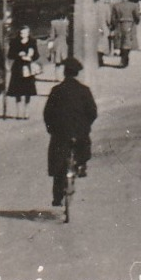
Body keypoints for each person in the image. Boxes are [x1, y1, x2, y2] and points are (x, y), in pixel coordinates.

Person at [44, 57, 98, 208]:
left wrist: (51, 129)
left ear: (64, 73)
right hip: (79, 132)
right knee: (83, 146)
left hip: (60, 133)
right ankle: (81, 166)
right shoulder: (84, 90)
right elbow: (92, 112)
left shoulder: (56, 90)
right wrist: (86, 126)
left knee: (57, 159)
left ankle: (57, 197)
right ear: (77, 73)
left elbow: (47, 113)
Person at [7, 25, 42, 119]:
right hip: (18, 68)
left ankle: (26, 111)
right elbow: (10, 55)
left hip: (28, 68)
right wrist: (18, 54)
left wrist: (31, 55)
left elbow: (37, 56)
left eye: (25, 32)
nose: (23, 34)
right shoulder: (14, 42)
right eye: (22, 33)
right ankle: (18, 111)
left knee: (28, 90)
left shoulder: (32, 42)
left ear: (28, 33)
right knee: (17, 91)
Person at [108, 0, 141, 68]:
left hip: (119, 24)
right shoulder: (133, 5)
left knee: (120, 41)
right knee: (128, 42)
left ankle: (123, 59)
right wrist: (136, 22)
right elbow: (137, 16)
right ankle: (125, 59)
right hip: (130, 24)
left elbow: (113, 17)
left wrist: (113, 25)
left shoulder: (116, 6)